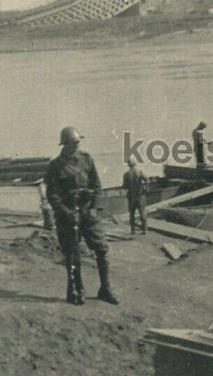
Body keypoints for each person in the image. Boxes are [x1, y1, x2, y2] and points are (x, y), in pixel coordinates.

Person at [44, 126, 118, 306]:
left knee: (102, 249)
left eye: (78, 142)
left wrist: (94, 208)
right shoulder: (55, 166)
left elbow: (97, 186)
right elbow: (52, 195)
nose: (77, 145)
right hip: (67, 217)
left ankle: (105, 289)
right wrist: (66, 212)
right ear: (65, 144)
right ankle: (77, 290)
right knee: (72, 255)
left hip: (88, 213)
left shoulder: (87, 159)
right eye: (74, 143)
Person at [122, 158, 148, 235]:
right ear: (135, 164)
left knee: (132, 214)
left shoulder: (126, 174)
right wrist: (146, 189)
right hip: (140, 195)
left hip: (131, 197)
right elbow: (147, 179)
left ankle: (132, 230)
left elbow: (124, 187)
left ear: (129, 165)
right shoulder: (139, 172)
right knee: (142, 213)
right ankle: (145, 230)